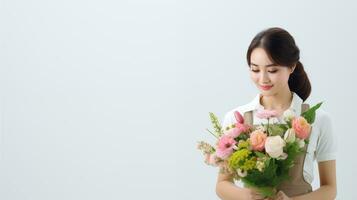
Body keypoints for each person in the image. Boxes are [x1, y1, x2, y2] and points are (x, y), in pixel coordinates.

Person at [215, 27, 337, 200]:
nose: (263, 79)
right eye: (255, 69)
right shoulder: (236, 118)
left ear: (292, 66)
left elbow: (330, 188)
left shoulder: (318, 119)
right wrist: (248, 196)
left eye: (272, 70)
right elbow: (222, 184)